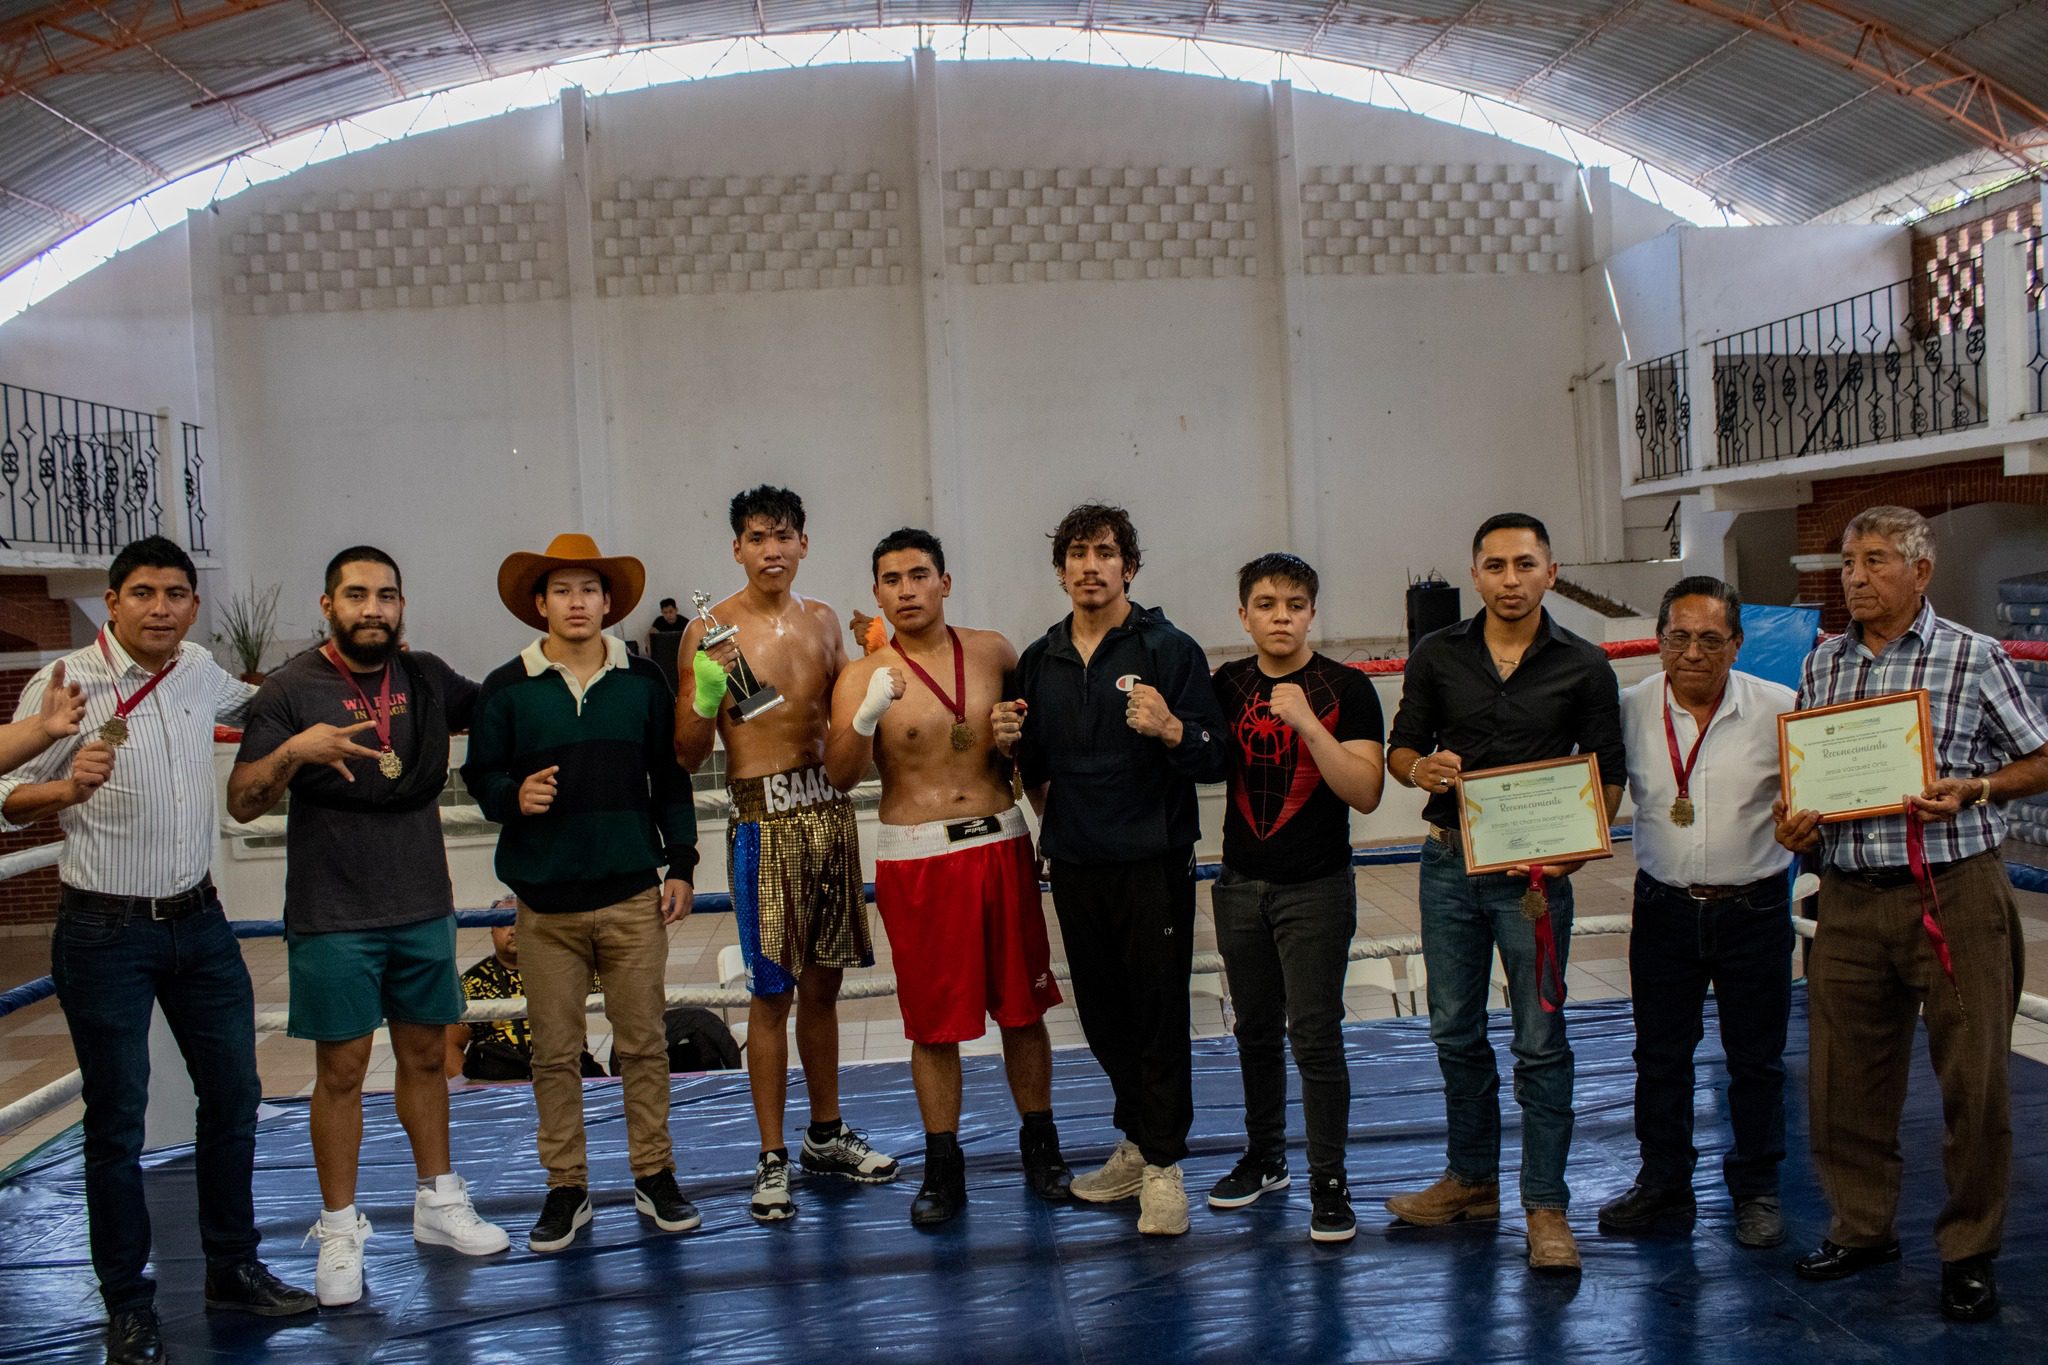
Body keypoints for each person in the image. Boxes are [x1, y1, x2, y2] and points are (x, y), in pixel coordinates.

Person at [0, 536, 315, 1365]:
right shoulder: (65, 679)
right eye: (144, 592)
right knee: (116, 1119)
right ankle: (128, 1304)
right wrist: (65, 787)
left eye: (178, 593)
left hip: (199, 922)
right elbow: (4, 800)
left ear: (192, 605)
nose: (162, 607)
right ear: (112, 600)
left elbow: (259, 705)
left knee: (235, 1096)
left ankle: (232, 1266)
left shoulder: (199, 668)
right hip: (105, 928)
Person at [1774, 506, 2048, 1322]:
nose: (1854, 575)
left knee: (1974, 1081)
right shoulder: (1824, 664)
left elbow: (2041, 754)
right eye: (1848, 560)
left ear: (1920, 572)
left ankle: (1970, 1249)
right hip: (1851, 894)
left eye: (1876, 559)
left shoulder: (1975, 654)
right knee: (1842, 1079)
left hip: (1955, 890)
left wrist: (1982, 787)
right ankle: (1862, 1227)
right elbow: (1810, 777)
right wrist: (1798, 821)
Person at [228, 546, 509, 1305]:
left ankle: (437, 1199)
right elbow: (243, 800)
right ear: (328, 605)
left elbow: (502, 705)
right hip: (333, 911)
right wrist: (295, 749)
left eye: (386, 595)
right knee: (342, 1071)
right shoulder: (291, 687)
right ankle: (340, 1226)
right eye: (357, 595)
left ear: (401, 605)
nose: (373, 608)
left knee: (427, 1056)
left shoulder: (424, 676)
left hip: (421, 901)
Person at [1382, 512, 1624, 1274]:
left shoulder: (1585, 664)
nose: (1510, 579)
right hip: (1450, 864)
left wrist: (1575, 854)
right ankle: (1471, 1179)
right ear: (1476, 573)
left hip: (1535, 880)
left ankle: (1546, 1205)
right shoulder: (1436, 653)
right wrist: (1417, 771)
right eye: (1495, 565)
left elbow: (1607, 773)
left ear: (1551, 571)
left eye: (1525, 564)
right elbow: (1401, 747)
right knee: (1453, 1030)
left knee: (1541, 1040)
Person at [823, 528, 1072, 1226]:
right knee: (934, 1025)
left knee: (1023, 1009)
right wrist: (868, 713)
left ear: (945, 581)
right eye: (892, 579)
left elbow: (1036, 748)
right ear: (876, 592)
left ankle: (1041, 1145)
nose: (906, 589)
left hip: (1000, 841)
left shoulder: (994, 651)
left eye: (918, 574)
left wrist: (1047, 811)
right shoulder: (857, 675)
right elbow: (841, 775)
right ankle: (942, 1164)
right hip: (918, 854)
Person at [461, 533, 700, 1254]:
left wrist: (683, 862)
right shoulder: (507, 686)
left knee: (644, 1045)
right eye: (562, 590)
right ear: (540, 604)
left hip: (632, 894)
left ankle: (653, 1174)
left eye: (589, 590)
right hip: (546, 904)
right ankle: (567, 1186)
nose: (576, 602)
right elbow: (480, 775)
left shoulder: (643, 682)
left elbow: (673, 777)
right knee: (554, 1052)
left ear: (608, 602)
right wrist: (513, 793)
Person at [999, 503, 1228, 1237]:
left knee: (1157, 1013)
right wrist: (1005, 741)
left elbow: (1214, 751)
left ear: (1129, 566)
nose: (1089, 565)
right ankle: (1137, 1139)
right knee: (1101, 1017)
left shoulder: (1170, 647)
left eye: (1104, 552)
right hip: (1077, 862)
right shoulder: (1040, 657)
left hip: (1151, 861)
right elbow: (1032, 766)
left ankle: (1164, 1167)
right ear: (1060, 566)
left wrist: (1171, 730)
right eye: (1076, 552)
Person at [675, 485, 895, 1222]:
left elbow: (849, 735)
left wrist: (876, 662)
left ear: (804, 544)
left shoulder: (827, 622)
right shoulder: (710, 631)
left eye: (785, 535)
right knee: (770, 995)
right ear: (737, 548)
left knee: (824, 988)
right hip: (761, 820)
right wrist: (707, 694)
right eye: (758, 536)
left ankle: (824, 1134)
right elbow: (685, 753)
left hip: (828, 813)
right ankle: (770, 1156)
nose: (772, 548)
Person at [1596, 576, 1794, 1251]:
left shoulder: (1781, 708)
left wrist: (1810, 830)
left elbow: (1815, 803)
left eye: (1711, 639)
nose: (1693, 652)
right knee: (1659, 1056)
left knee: (1757, 1061)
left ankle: (1758, 1189)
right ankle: (1663, 1183)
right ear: (1658, 642)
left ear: (1736, 644)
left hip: (1756, 907)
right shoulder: (1628, 709)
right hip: (1665, 910)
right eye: (1679, 637)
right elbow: (1582, 786)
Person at [1206, 554, 1384, 1244]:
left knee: (1315, 1032)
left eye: (1295, 603)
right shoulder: (1226, 685)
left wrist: (1310, 723)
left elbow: (1365, 790)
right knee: (1253, 1027)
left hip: (1316, 885)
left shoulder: (1347, 687)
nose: (1281, 615)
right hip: (1240, 882)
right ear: (1243, 614)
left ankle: (1329, 1178)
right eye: (1267, 602)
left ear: (1313, 611)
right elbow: (1195, 755)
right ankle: (1265, 1155)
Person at [443, 908, 607, 1082]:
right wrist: (472, 1090)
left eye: (519, 922)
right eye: (503, 924)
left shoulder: (568, 970)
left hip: (568, 1069)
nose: (513, 931)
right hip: (499, 1078)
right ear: (492, 931)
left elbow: (624, 1008)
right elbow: (449, 1045)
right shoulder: (472, 982)